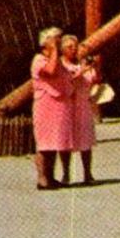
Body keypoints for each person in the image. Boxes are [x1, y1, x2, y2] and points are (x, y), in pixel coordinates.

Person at [30, 27, 72, 190]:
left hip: (59, 106)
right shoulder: (39, 60)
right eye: (57, 40)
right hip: (45, 106)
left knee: (53, 143)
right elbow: (51, 72)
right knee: (44, 144)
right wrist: (54, 49)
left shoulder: (57, 59)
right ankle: (42, 178)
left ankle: (50, 176)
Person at [60, 35, 99, 185]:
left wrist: (92, 67)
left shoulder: (82, 64)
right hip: (68, 105)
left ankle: (88, 173)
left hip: (83, 105)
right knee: (66, 141)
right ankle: (66, 174)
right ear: (62, 49)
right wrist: (82, 71)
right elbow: (67, 81)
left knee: (85, 141)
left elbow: (94, 80)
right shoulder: (61, 65)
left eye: (75, 46)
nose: (73, 49)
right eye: (69, 47)